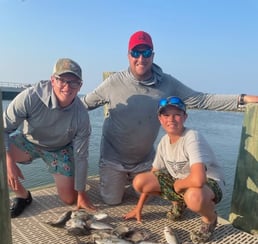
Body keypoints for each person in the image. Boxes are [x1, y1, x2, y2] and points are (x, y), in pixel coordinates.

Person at [82, 30, 258, 206]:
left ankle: (137, 182)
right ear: (128, 55)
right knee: (111, 201)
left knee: (149, 198)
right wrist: (56, 110)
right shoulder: (113, 82)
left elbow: (202, 99)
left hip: (144, 160)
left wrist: (241, 99)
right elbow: (83, 105)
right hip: (113, 158)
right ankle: (116, 179)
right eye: (136, 53)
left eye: (146, 53)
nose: (141, 59)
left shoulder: (167, 83)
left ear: (153, 55)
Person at [123, 96, 225, 244]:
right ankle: (179, 202)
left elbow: (198, 179)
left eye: (177, 114)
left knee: (194, 197)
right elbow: (152, 175)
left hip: (209, 184)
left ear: (185, 117)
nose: (171, 119)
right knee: (140, 181)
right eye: (166, 115)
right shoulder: (164, 141)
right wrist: (138, 208)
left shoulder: (192, 137)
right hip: (183, 184)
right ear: (160, 118)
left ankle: (210, 219)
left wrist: (178, 186)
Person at [4, 58, 96, 218]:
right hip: (28, 142)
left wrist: (81, 193)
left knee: (69, 199)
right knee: (2, 159)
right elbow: (3, 129)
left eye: (74, 82)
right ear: (52, 80)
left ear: (80, 85)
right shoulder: (30, 97)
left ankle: (67, 181)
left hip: (60, 150)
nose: (67, 87)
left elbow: (81, 156)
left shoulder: (81, 115)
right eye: (62, 80)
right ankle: (23, 196)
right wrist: (9, 161)